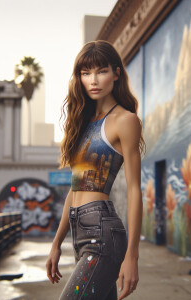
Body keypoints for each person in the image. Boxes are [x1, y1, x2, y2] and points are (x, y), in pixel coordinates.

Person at [46, 40, 145, 300]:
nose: (93, 80)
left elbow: (135, 189)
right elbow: (74, 189)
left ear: (116, 73)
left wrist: (132, 256)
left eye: (101, 71)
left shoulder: (126, 121)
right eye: (85, 73)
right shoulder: (82, 123)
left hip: (103, 236)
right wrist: (57, 243)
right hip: (79, 233)